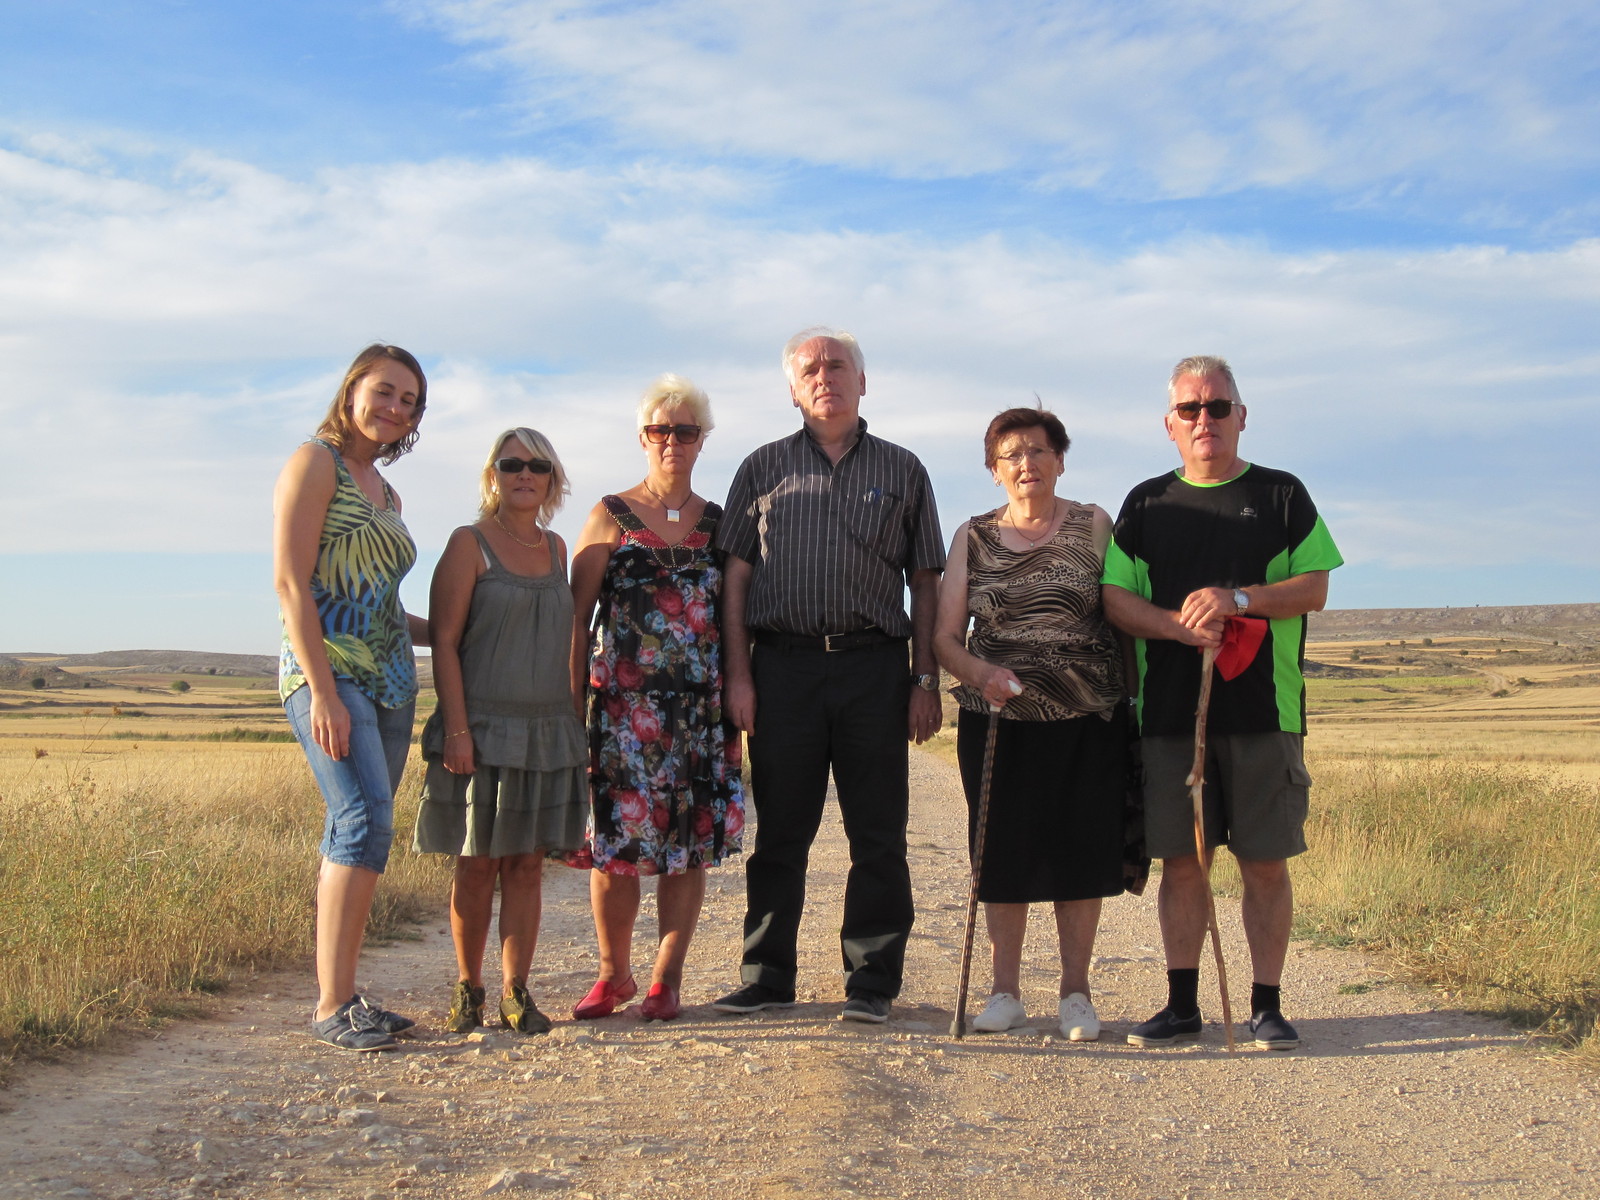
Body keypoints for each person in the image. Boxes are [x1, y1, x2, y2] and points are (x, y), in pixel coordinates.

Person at [1101, 355, 1343, 1051]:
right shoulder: (1147, 504)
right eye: (1190, 409)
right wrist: (1175, 626)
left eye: (1216, 407)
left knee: (1264, 862)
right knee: (1183, 862)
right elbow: (1115, 599)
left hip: (1266, 714)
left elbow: (1314, 586)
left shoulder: (1281, 494)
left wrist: (1238, 600)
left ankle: (1266, 1006)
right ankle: (1182, 1005)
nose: (1203, 419)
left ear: (1241, 416)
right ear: (1169, 424)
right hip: (1170, 718)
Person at [712, 327, 944, 1024]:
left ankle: (871, 981)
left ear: (862, 382)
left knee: (878, 834)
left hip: (875, 669)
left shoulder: (904, 469)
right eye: (810, 369)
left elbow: (925, 581)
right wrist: (739, 676)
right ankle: (766, 976)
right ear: (793, 389)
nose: (825, 377)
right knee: (780, 833)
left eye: (837, 366)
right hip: (782, 669)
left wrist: (924, 680)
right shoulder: (761, 468)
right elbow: (735, 578)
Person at [932, 406, 1130, 1040]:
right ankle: (1004, 992)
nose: (1027, 464)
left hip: (1086, 715)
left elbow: (1121, 611)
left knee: (1080, 849)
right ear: (994, 470)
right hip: (997, 717)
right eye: (1011, 455)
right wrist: (980, 673)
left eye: (1039, 451)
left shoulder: (1094, 524)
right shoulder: (972, 536)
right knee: (1001, 852)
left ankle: (1076, 994)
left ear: (1060, 460)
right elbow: (944, 637)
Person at [566, 374, 745, 1022]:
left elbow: (735, 620)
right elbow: (576, 618)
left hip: (697, 712)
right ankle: (612, 975)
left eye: (686, 430)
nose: (673, 440)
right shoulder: (608, 515)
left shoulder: (722, 524)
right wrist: (569, 705)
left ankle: (667, 979)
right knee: (615, 845)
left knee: (686, 846)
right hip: (621, 712)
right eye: (661, 429)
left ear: (702, 440)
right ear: (643, 437)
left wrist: (738, 691)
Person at [274, 344, 431, 1052]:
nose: (395, 408)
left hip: (393, 679)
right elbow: (291, 583)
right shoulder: (316, 464)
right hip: (329, 670)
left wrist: (460, 629)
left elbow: (385, 605)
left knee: (371, 828)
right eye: (385, 391)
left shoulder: (387, 494)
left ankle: (349, 994)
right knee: (358, 819)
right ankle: (331, 1004)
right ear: (352, 389)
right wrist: (322, 691)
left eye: (410, 401)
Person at [415, 428, 588, 1036]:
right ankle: (469, 989)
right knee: (476, 865)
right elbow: (443, 640)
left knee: (526, 867)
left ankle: (517, 992)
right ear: (494, 475)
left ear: (552, 479)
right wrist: (457, 729)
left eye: (538, 465)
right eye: (512, 464)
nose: (525, 475)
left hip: (545, 731)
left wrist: (573, 723)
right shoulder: (468, 543)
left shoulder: (558, 548)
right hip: (482, 726)